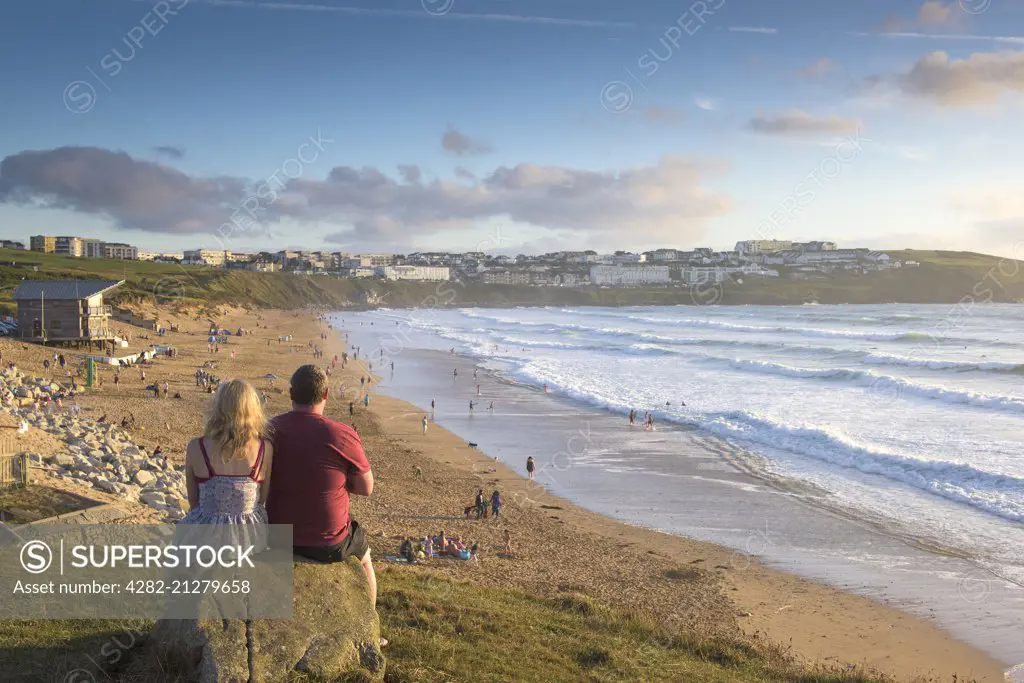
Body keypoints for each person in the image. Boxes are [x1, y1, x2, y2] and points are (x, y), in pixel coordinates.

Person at [266, 365, 379, 608]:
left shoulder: (269, 429)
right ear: (326, 394)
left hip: (276, 537)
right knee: (366, 556)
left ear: (291, 393)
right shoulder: (341, 434)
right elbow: (366, 488)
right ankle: (370, 621)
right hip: (328, 543)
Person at [179, 379, 272, 546]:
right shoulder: (265, 449)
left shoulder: (196, 447)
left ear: (218, 409)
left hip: (205, 536)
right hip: (248, 538)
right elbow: (261, 500)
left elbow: (194, 502)